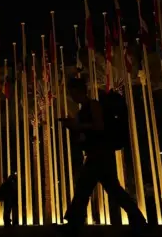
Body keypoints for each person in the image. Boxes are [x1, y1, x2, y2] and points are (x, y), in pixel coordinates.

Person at [59, 78, 146, 236]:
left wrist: (79, 126)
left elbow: (99, 126)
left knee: (85, 188)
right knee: (110, 189)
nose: (72, 97)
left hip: (101, 153)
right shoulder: (82, 111)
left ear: (80, 91)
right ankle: (139, 221)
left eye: (73, 93)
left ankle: (73, 223)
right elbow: (85, 134)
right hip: (94, 153)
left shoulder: (94, 105)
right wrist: (73, 128)